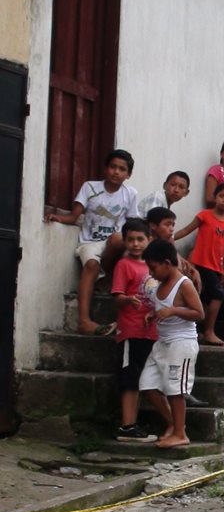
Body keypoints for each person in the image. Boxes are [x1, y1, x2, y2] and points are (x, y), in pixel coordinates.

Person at [46, 149, 139, 336]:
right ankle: (84, 321)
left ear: (128, 174)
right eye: (113, 167)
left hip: (114, 244)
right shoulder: (90, 187)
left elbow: (132, 223)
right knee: (90, 265)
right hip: (90, 241)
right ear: (105, 169)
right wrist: (57, 218)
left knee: (118, 238)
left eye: (122, 169)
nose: (116, 172)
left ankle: (105, 279)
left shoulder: (130, 193)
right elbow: (74, 216)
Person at [140, 239, 204, 449]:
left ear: (167, 263)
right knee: (148, 385)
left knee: (175, 390)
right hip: (163, 343)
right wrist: (154, 313)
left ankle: (180, 432)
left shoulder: (183, 284)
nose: (151, 273)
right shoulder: (160, 284)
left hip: (181, 343)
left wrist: (174, 311)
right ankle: (173, 424)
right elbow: (162, 307)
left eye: (154, 268)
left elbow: (198, 313)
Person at [111, 219, 171, 443]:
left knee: (148, 379)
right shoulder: (124, 265)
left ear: (149, 240)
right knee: (130, 379)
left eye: (140, 239)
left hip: (153, 332)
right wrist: (127, 299)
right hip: (131, 330)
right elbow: (116, 297)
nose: (135, 244)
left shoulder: (153, 266)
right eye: (130, 240)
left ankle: (154, 423)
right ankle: (127, 425)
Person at [173, 183, 224, 344]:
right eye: (221, 196)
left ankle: (201, 330)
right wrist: (171, 238)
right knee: (218, 294)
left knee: (208, 297)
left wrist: (223, 269)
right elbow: (187, 230)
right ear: (215, 197)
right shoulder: (204, 215)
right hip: (201, 264)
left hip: (216, 267)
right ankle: (209, 331)